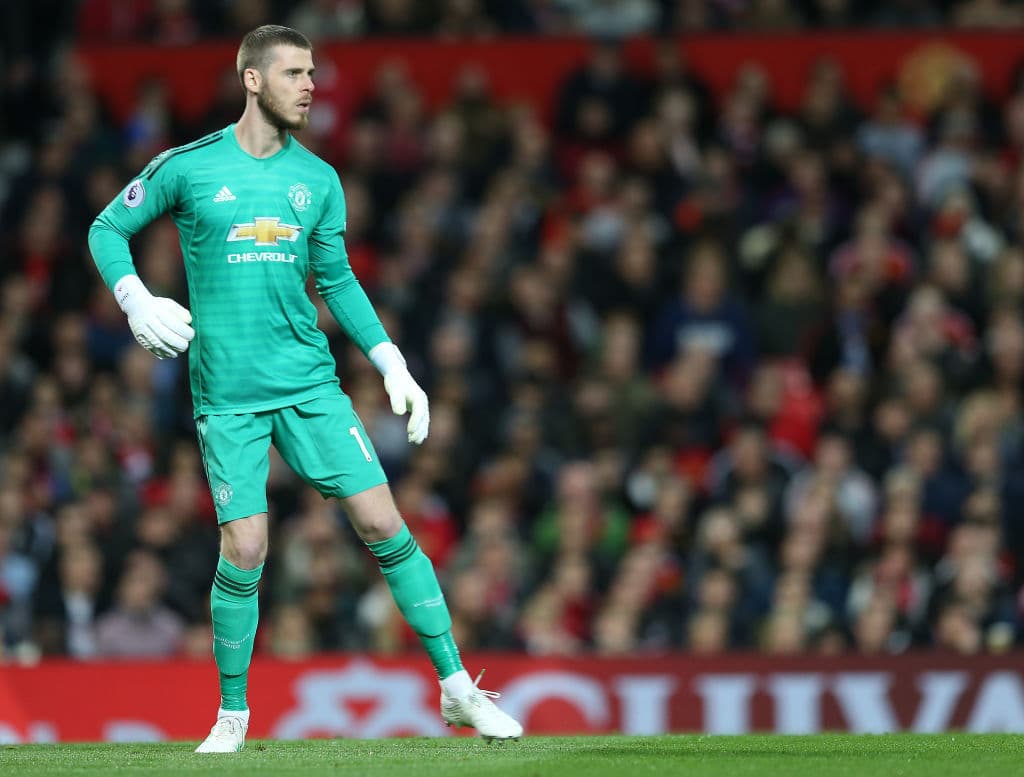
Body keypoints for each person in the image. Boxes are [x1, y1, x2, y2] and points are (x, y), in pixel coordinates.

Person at [88, 25, 522, 752]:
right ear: (251, 79)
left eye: (312, 72)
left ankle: (457, 688)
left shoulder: (318, 179)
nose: (310, 85)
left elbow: (338, 279)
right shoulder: (189, 167)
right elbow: (107, 228)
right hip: (227, 392)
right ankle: (232, 714)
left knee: (385, 523)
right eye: (293, 72)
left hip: (310, 384)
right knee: (248, 546)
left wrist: (390, 361)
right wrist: (135, 297)